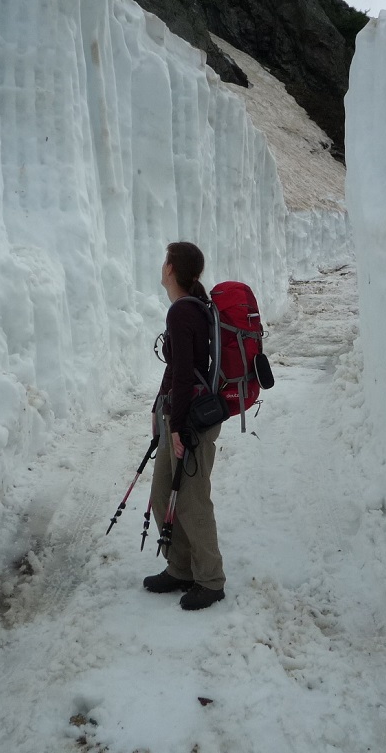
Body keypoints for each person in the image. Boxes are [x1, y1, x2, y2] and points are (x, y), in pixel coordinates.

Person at [144, 241, 226, 610]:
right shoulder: (186, 310)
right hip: (179, 412)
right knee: (163, 492)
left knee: (192, 500)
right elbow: (177, 368)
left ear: (173, 270)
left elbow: (182, 373)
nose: (162, 266)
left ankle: (210, 579)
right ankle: (180, 567)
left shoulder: (182, 313)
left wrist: (175, 426)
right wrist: (158, 409)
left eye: (166, 261)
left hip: (191, 420)